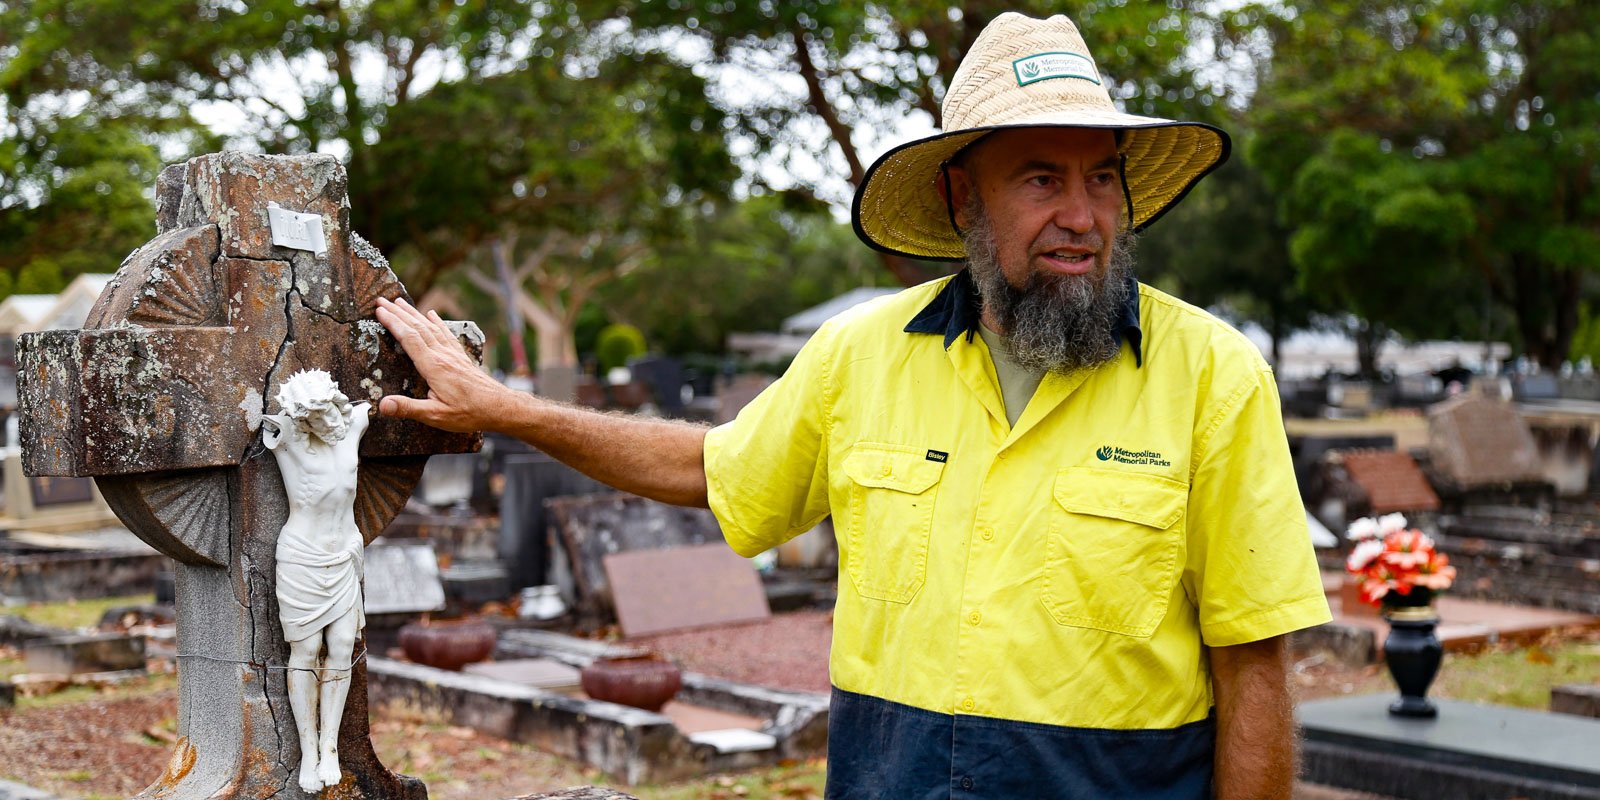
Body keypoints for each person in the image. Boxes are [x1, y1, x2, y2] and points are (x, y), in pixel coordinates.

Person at [376, 12, 1330, 799]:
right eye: (1041, 177)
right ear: (965, 196)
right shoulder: (860, 356)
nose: (1081, 214)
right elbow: (708, 471)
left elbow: (1254, 669)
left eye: (1101, 177)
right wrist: (507, 410)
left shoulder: (1214, 375)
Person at [261, 368, 372, 793]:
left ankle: (331, 747)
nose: (329, 422)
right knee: (306, 650)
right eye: (317, 416)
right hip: (302, 557)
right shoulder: (285, 437)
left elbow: (371, 408)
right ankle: (309, 750)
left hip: (343, 554)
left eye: (330, 411)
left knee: (343, 646)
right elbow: (272, 418)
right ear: (302, 419)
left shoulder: (353, 428)